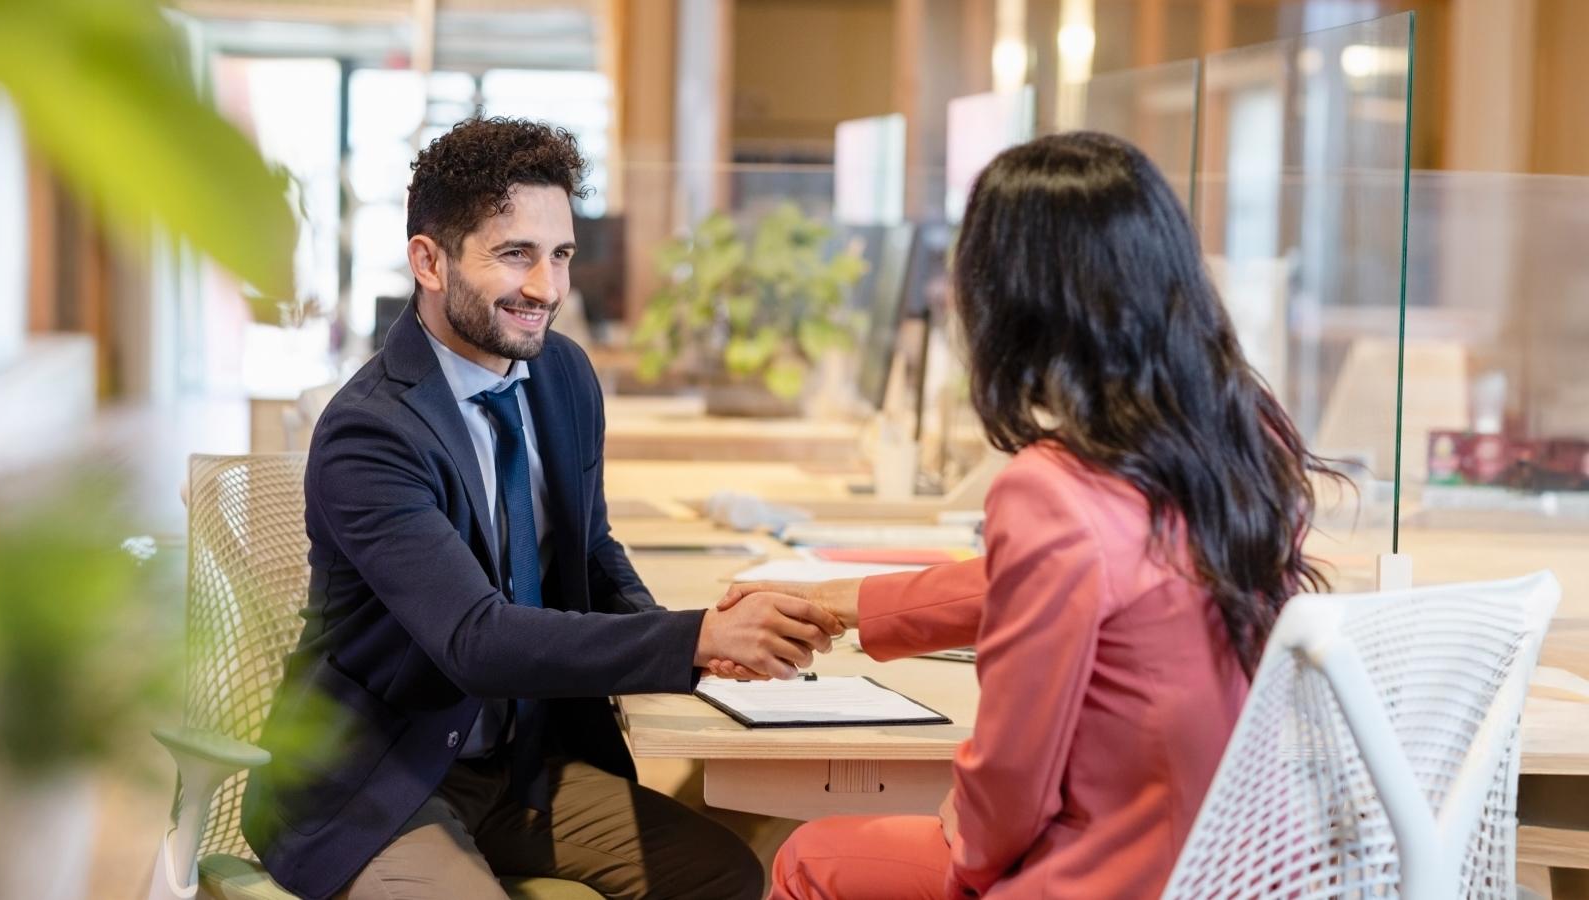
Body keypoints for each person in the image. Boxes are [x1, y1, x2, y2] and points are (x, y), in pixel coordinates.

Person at [714, 131, 1336, 899]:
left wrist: (964, 848)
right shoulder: (1243, 439)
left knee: (810, 858)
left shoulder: (1052, 490)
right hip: (1249, 871)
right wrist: (838, 604)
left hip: (1109, 877)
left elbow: (1014, 778)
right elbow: (1084, 579)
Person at [242, 116, 842, 900]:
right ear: (428, 260)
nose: (547, 289)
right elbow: (474, 640)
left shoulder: (561, 374)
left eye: (559, 254)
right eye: (515, 254)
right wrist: (690, 634)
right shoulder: (371, 432)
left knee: (723, 874)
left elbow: (590, 549)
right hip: (382, 783)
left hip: (521, 768)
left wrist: (698, 646)